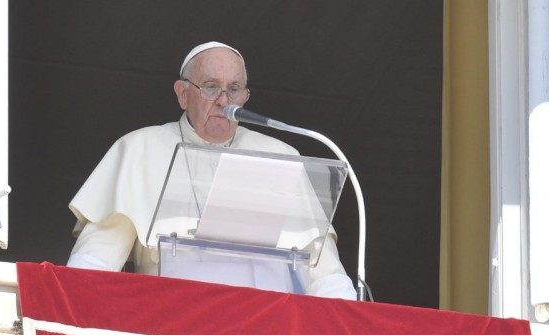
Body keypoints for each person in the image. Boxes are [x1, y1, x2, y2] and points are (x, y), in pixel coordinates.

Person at [67, 42, 357, 299]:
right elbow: (94, 263)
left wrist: (352, 323)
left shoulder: (281, 156)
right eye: (210, 87)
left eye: (234, 89)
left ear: (245, 97)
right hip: (169, 320)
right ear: (183, 94)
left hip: (266, 328)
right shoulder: (139, 149)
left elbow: (326, 276)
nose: (223, 100)